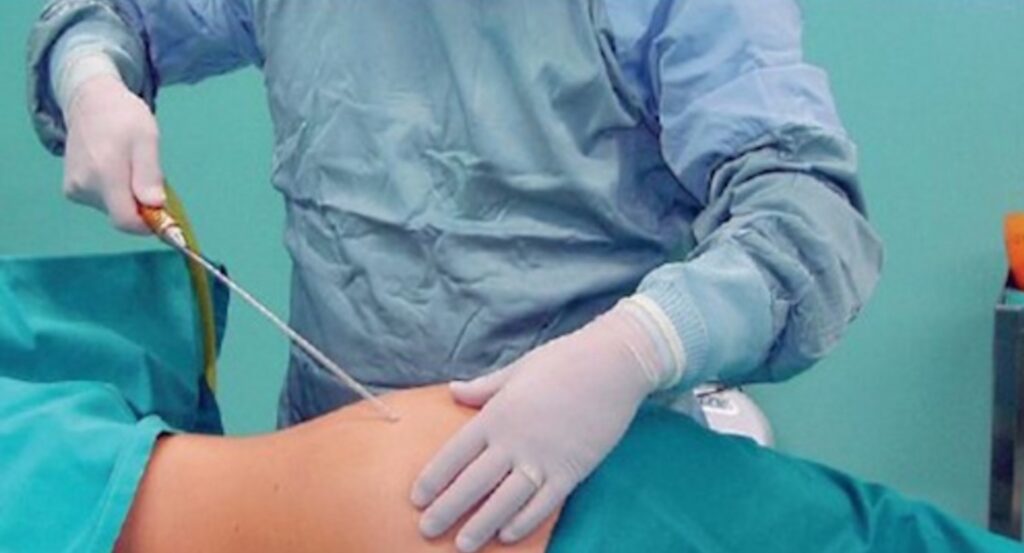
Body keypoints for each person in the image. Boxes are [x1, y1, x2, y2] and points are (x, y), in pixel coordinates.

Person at [27, 2, 884, 551]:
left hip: (589, 485)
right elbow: (111, 15)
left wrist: (638, 346)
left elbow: (807, 218)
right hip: (333, 478)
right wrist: (92, 77)